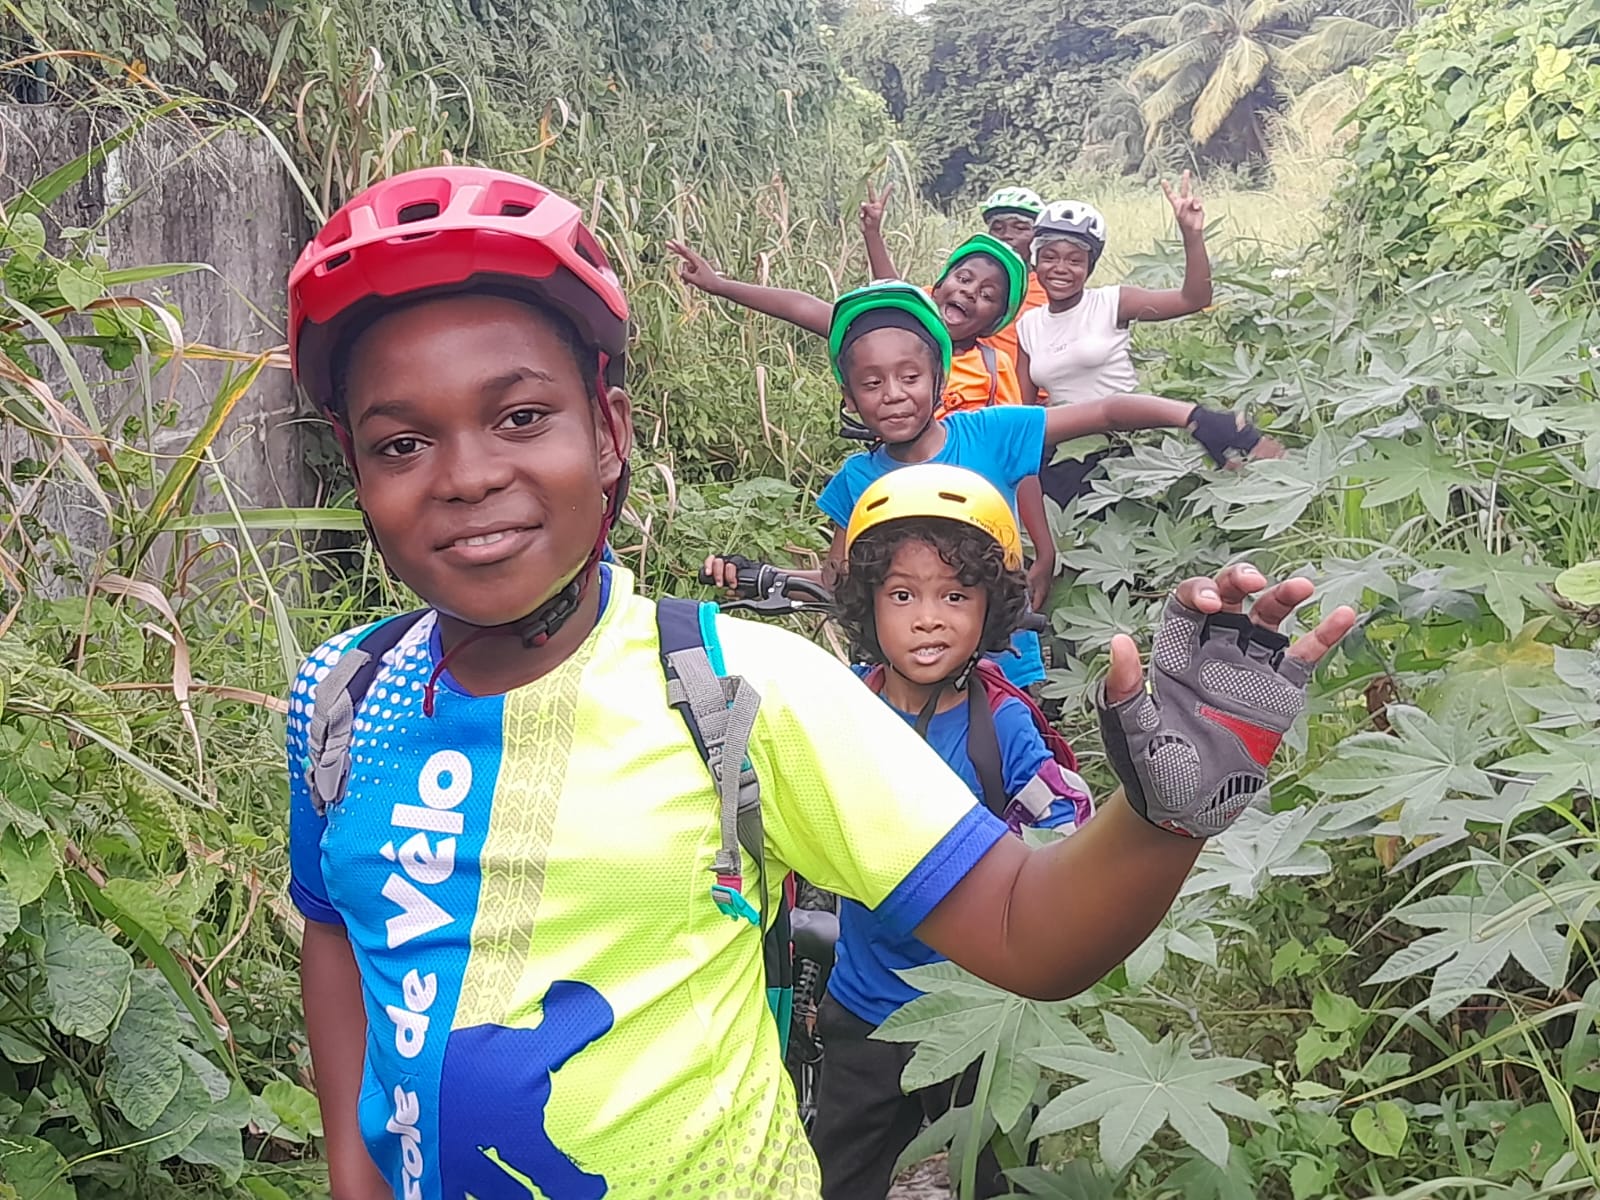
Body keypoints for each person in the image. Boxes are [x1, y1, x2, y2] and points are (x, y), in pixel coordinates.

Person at [286, 165, 1355, 1200]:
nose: (467, 474)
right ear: (359, 470)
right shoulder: (342, 692)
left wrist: (1161, 820)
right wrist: (352, 1170)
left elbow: (1029, 932)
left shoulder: (734, 687)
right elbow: (335, 930)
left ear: (607, 434)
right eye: (403, 441)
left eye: (522, 417)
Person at [707, 280, 1278, 688]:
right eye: (872, 383)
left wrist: (1195, 418)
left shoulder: (990, 432)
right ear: (851, 399)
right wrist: (764, 579)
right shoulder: (855, 480)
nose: (893, 394)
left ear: (938, 379)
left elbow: (1102, 412)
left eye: (910, 376)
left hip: (1001, 662)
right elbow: (839, 581)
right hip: (903, 670)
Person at [812, 464, 1091, 1199]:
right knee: (832, 1177)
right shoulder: (841, 712)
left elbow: (1066, 833)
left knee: (997, 1178)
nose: (928, 617)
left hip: (979, 1015)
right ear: (868, 602)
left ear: (989, 609)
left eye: (954, 596)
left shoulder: (1002, 727)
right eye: (902, 595)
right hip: (866, 1005)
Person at [1018, 176, 1216, 505]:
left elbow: (1194, 299)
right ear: (1035, 261)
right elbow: (1025, 410)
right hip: (1064, 454)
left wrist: (1191, 235)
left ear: (1090, 266)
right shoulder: (1028, 324)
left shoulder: (1112, 303)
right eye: (1050, 256)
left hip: (1123, 445)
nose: (1061, 268)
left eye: (1075, 259)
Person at [859, 182, 1050, 372]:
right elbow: (898, 295)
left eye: (1020, 228)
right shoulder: (948, 294)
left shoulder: (1048, 292)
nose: (1007, 235)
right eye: (998, 228)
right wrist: (872, 234)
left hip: (1009, 389)